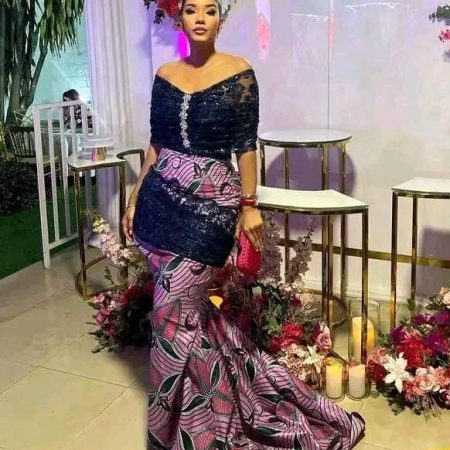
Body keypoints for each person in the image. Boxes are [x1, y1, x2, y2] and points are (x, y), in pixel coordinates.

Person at [122, 1, 365, 448]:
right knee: (190, 321)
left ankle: (170, 433)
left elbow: (246, 146)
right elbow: (157, 143)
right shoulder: (164, 75)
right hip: (158, 206)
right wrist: (136, 194)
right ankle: (208, 417)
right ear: (179, 18)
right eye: (191, 9)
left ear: (221, 19)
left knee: (170, 318)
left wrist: (249, 206)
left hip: (210, 208)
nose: (200, 17)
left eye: (210, 10)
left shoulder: (239, 72)